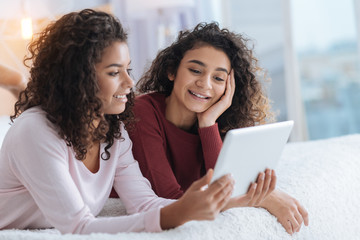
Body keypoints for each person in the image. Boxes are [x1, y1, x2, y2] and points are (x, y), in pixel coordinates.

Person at [0, 9, 261, 234]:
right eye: (115, 72)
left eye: (128, 69)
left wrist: (224, 201)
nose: (130, 83)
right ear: (77, 78)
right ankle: (16, 83)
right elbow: (78, 227)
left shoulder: (114, 132)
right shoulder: (35, 131)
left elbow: (145, 203)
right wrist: (176, 213)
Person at [125, 22, 309, 235]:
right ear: (172, 71)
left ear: (228, 88)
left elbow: (227, 183)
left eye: (218, 78)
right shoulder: (141, 112)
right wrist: (262, 198)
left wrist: (208, 123)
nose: (205, 84)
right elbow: (173, 201)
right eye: (195, 70)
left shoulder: (217, 123)